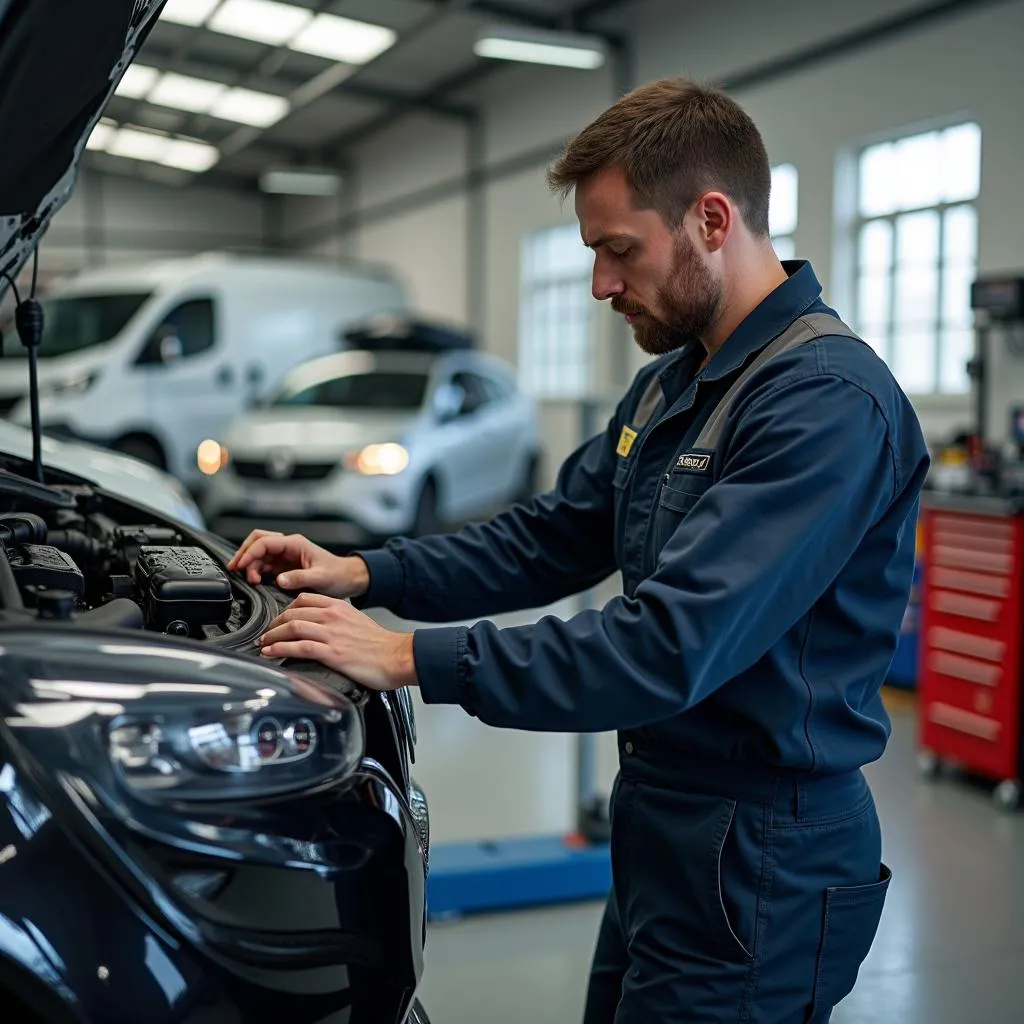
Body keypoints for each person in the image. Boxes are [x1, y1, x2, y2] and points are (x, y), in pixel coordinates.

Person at [228, 76, 930, 1023]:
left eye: (618, 251)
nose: (602, 284)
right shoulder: (674, 386)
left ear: (712, 220)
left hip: (763, 857)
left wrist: (407, 657)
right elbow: (551, 536)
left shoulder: (824, 405)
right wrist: (367, 571)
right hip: (662, 827)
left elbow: (665, 644)